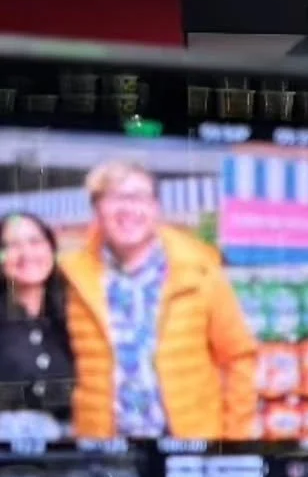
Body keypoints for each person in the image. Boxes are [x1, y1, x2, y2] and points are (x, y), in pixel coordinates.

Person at [59, 160, 259, 441]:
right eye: (114, 198)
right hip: (105, 449)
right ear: (96, 209)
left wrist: (235, 439)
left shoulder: (200, 271)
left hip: (189, 446)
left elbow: (239, 357)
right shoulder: (72, 277)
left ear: (155, 207)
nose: (128, 209)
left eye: (139, 197)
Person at [0, 211, 75, 439]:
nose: (26, 254)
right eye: (11, 246)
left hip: (76, 449)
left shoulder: (78, 311)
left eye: (35, 242)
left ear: (51, 248)